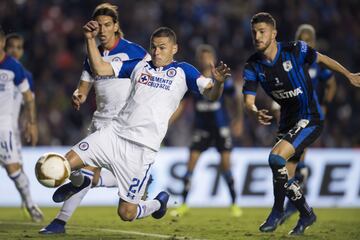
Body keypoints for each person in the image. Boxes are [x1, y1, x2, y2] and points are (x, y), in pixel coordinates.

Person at [44, 22, 230, 225]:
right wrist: (90, 39)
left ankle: (158, 204)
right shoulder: (139, 65)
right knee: (67, 161)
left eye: (162, 47)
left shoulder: (184, 71)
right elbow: (100, 67)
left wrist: (218, 82)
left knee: (126, 213)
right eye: (154, 47)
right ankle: (82, 181)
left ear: (174, 49)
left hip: (142, 150)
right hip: (113, 134)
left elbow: (211, 95)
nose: (157, 52)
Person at [242, 12, 360, 235]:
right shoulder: (253, 65)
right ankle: (306, 214)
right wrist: (254, 111)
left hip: (310, 118)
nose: (257, 36)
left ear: (274, 34)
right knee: (284, 173)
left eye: (262, 32)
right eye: (254, 32)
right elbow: (248, 101)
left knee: (276, 158)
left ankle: (278, 211)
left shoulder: (294, 50)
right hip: (287, 120)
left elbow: (323, 59)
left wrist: (349, 74)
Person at [39, 3, 149, 234]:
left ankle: (63, 218)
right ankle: (63, 218)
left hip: (125, 126)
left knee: (89, 174)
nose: (102, 29)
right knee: (83, 169)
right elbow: (83, 88)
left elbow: (152, 79)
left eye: (107, 25)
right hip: (100, 121)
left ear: (116, 26)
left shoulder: (136, 52)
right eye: (98, 25)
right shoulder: (92, 56)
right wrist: (77, 95)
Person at [170, 44, 242, 218]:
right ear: (198, 59)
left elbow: (236, 98)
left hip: (220, 127)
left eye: (208, 56)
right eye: (202, 56)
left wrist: (238, 120)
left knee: (226, 166)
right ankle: (184, 204)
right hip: (201, 128)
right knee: (190, 164)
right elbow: (182, 104)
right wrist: (170, 120)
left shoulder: (222, 80)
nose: (205, 59)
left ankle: (234, 204)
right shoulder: (194, 80)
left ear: (213, 58)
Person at [279, 24, 337, 224]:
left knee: (294, 159)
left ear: (313, 42)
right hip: (292, 115)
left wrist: (325, 105)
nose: (305, 42)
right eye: (301, 39)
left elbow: (331, 84)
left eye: (308, 39)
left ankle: (292, 207)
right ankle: (296, 204)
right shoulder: (290, 60)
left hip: (310, 116)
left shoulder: (317, 64)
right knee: (293, 162)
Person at [0, 28, 42, 222]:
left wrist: (30, 123)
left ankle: (29, 203)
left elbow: (29, 100)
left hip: (7, 127)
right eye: (12, 47)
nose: (16, 51)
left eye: (19, 48)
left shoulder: (18, 71)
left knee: (15, 169)